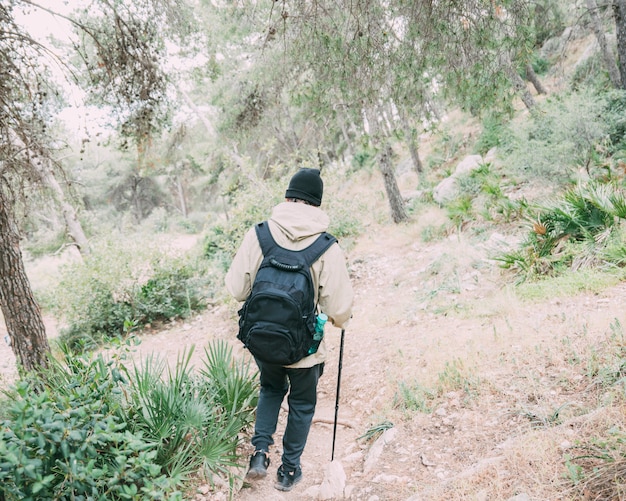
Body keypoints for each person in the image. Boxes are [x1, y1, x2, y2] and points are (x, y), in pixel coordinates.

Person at [225, 168, 354, 491]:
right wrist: (340, 321)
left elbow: (237, 289)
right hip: (304, 348)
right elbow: (338, 309)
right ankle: (288, 470)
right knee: (302, 405)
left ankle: (259, 453)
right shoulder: (327, 246)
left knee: (270, 389)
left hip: (264, 340)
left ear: (287, 197)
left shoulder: (259, 234)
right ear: (317, 203)